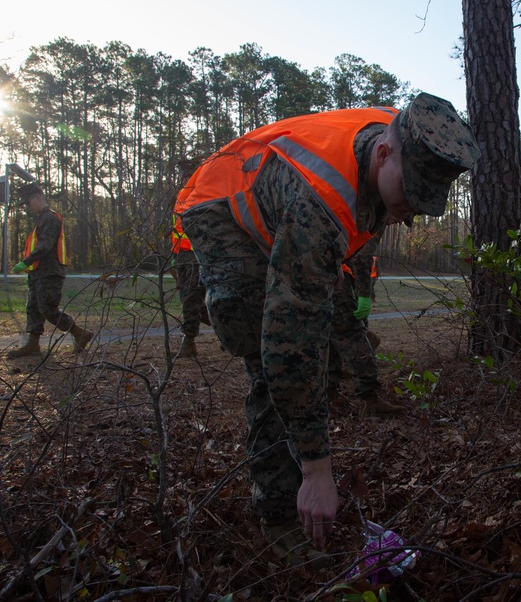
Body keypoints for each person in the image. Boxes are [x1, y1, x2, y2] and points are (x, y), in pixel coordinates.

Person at [176, 92, 479, 563]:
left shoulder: (402, 134)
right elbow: (290, 338)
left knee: (321, 325)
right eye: (412, 194)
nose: (413, 215)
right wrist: (319, 469)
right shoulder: (318, 203)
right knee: (267, 352)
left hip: (282, 203)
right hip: (219, 204)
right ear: (383, 154)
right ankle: (278, 513)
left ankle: (306, 433)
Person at [8, 183, 94, 357]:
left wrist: (26, 262)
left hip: (50, 272)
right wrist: (30, 268)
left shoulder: (50, 218)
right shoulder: (42, 219)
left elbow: (45, 245)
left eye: (28, 202)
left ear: (39, 197)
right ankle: (33, 345)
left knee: (48, 309)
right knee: (33, 307)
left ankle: (79, 333)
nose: (27, 207)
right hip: (38, 272)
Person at [327, 233, 395, 414]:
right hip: (337, 278)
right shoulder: (371, 217)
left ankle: (329, 393)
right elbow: (362, 258)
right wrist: (364, 294)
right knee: (351, 333)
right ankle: (369, 399)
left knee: (331, 334)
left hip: (337, 276)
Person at [170, 214, 209, 358]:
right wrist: (175, 253)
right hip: (182, 253)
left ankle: (188, 341)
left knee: (191, 297)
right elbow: (177, 228)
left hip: (196, 252)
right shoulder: (182, 194)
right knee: (190, 300)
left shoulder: (200, 192)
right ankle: (229, 330)